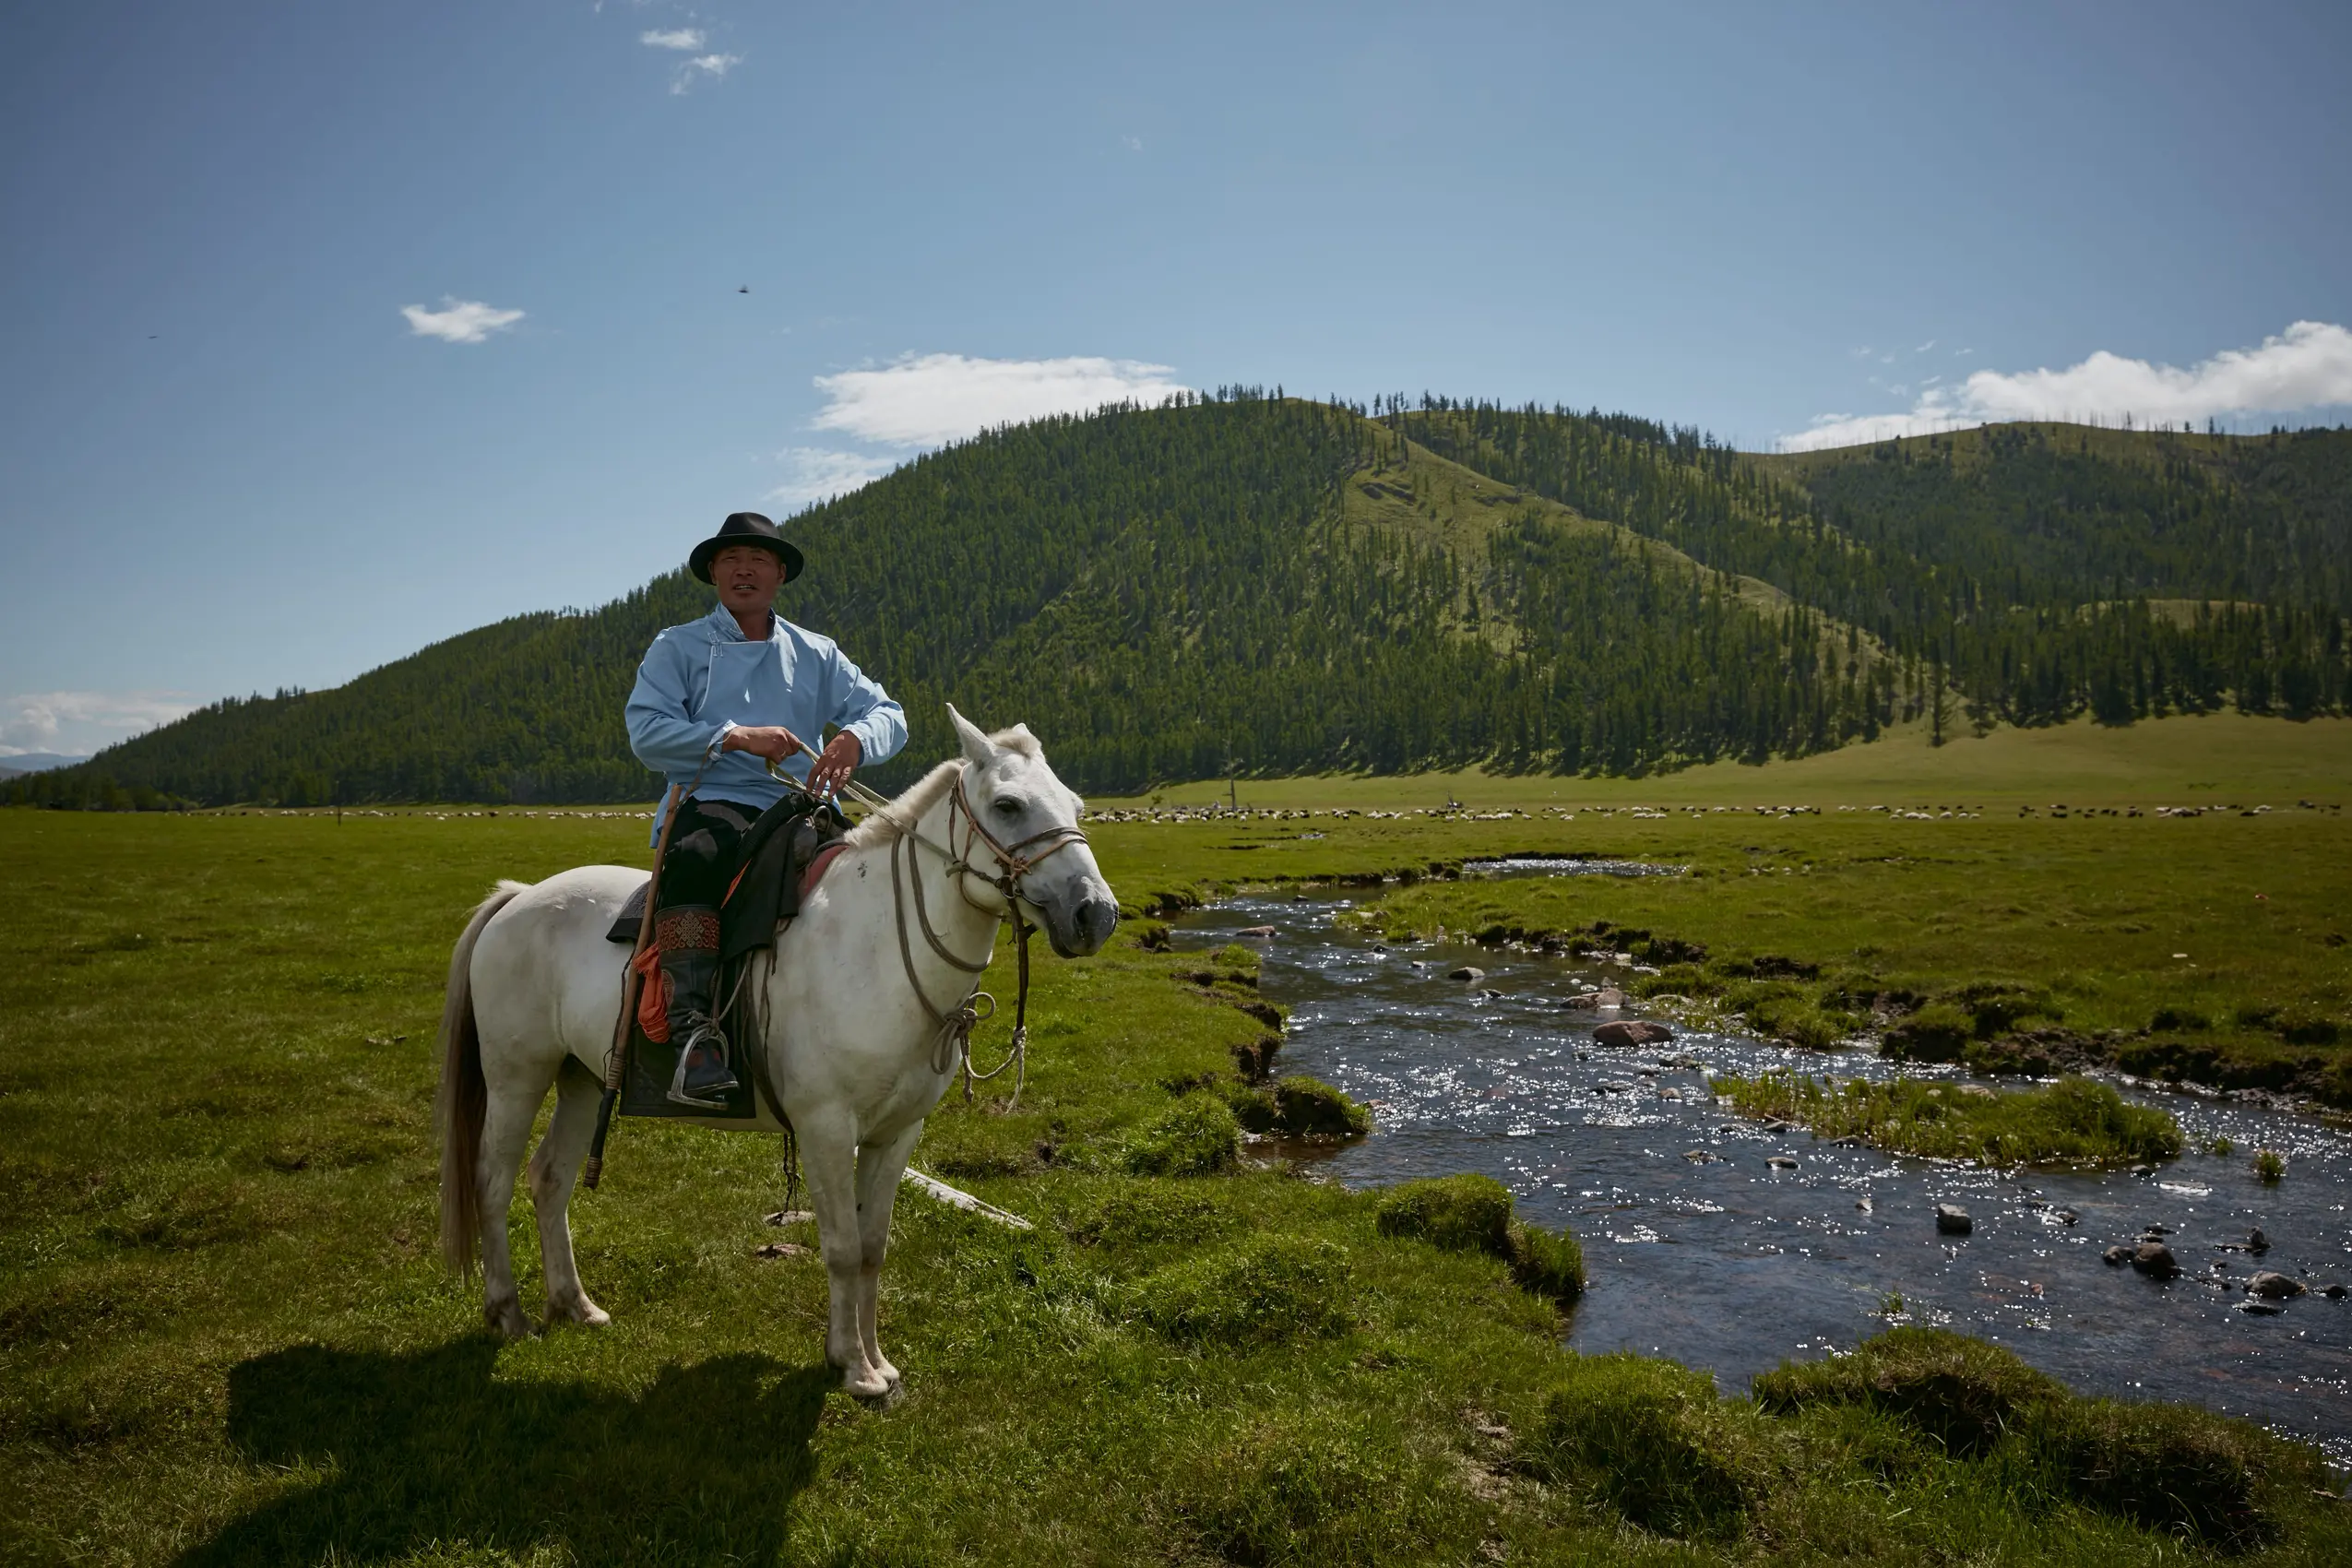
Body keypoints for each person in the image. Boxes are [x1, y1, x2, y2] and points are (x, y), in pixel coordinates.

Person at [625, 512, 907, 1106]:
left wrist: (855, 739)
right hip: (712, 799)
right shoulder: (677, 646)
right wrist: (733, 737)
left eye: (757, 560)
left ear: (779, 573)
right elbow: (646, 732)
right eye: (730, 560)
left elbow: (890, 713)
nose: (743, 570)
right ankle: (693, 1037)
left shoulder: (816, 652)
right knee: (697, 858)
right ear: (713, 573)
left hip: (803, 808)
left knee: (868, 879)